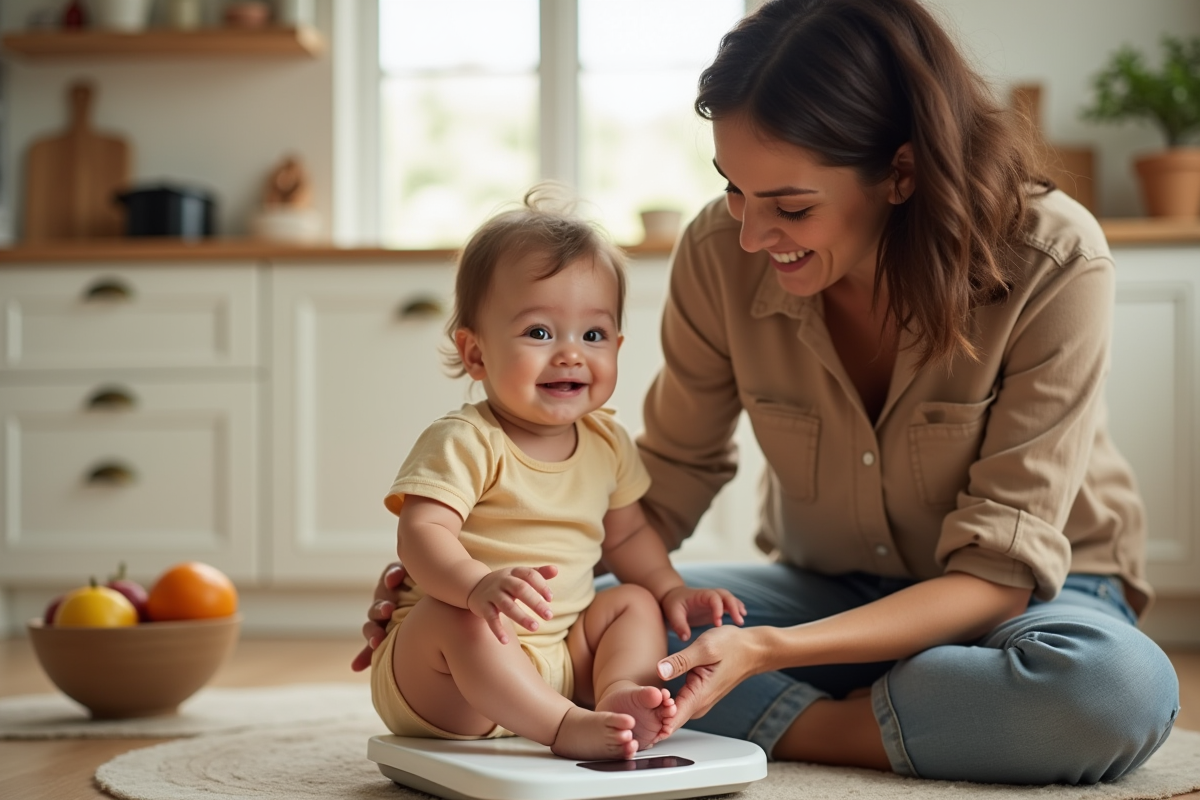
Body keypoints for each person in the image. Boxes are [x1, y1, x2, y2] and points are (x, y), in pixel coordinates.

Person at [356, 0, 1181, 784]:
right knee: (602, 622)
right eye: (732, 188)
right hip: (831, 587)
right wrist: (467, 582)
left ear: (900, 171)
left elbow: (1000, 573)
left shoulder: (1055, 259)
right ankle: (934, 713)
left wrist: (775, 656)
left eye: (789, 205)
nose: (750, 234)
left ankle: (814, 728)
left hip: (1028, 600)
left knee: (1109, 691)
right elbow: (664, 480)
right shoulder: (720, 251)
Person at [367, 186, 745, 762]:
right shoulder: (467, 440)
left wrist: (671, 589)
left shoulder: (607, 442)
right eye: (539, 332)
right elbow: (421, 534)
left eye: (592, 335)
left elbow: (629, 537)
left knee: (632, 601)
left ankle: (618, 696)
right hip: (444, 681)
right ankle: (565, 726)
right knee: (458, 620)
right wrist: (474, 587)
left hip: (555, 662)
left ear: (617, 345)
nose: (570, 353)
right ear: (475, 354)